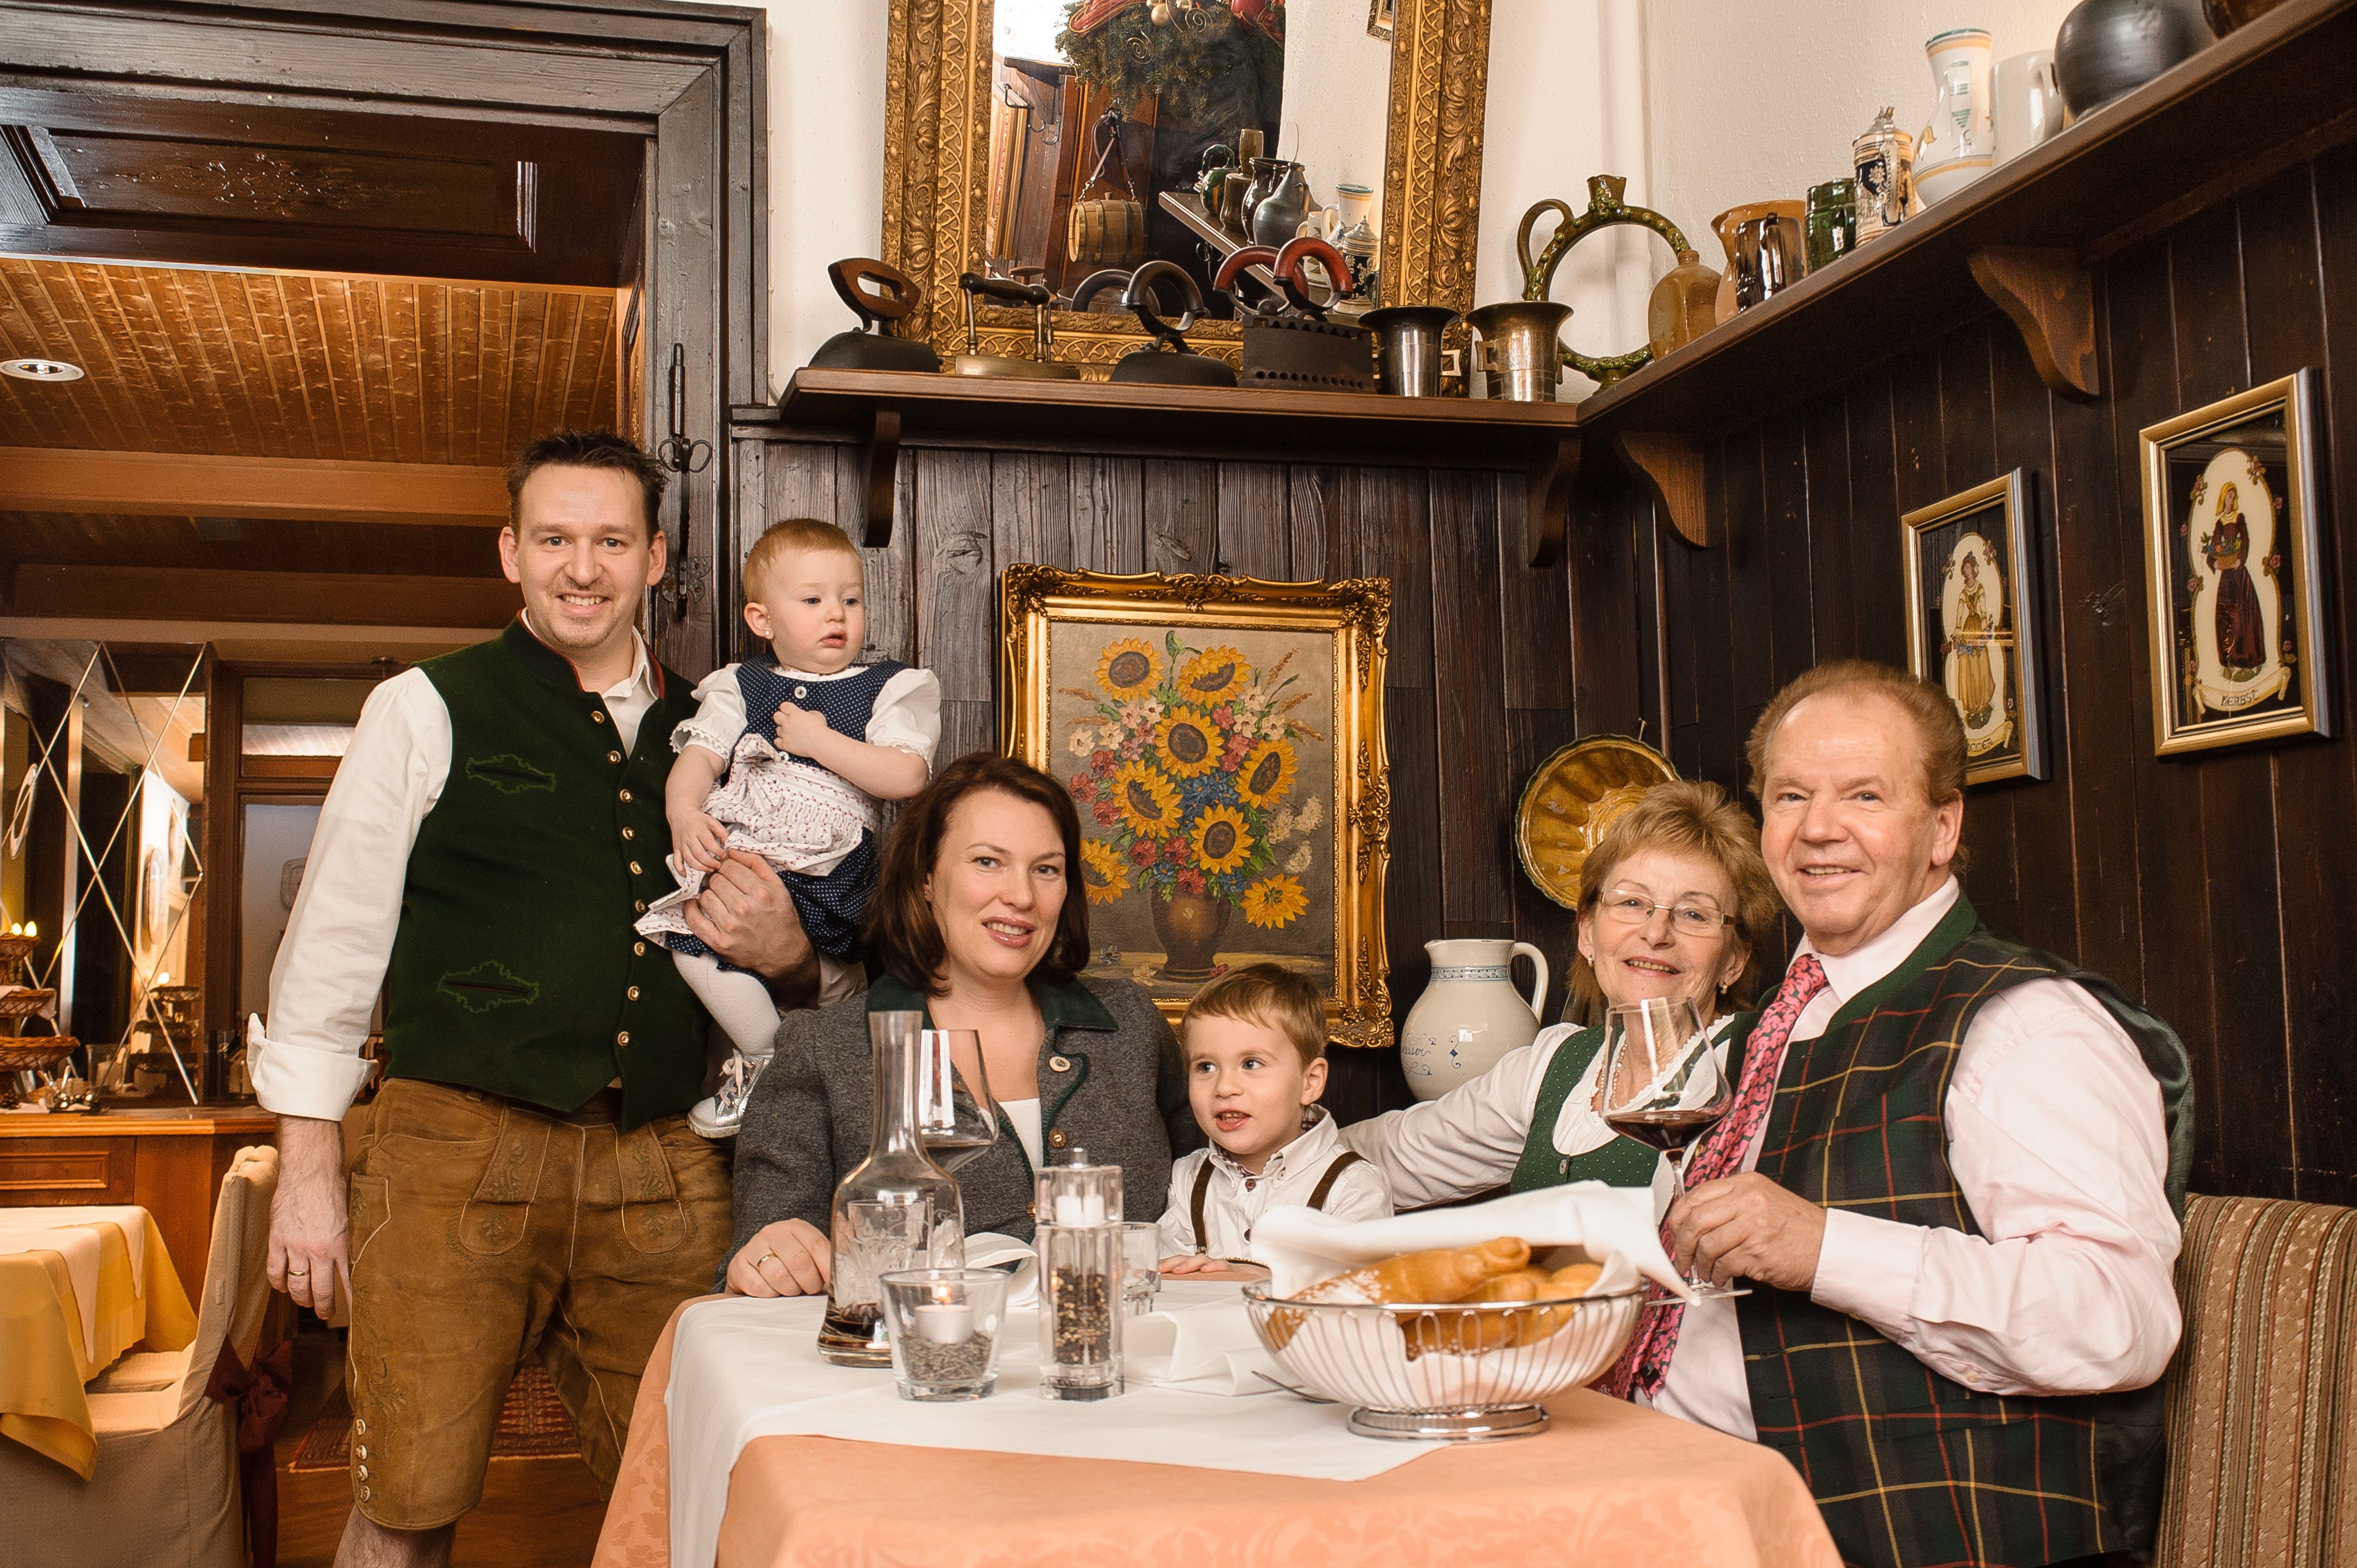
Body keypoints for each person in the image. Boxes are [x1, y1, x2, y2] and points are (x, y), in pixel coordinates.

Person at [251, 429, 830, 1568]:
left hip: (662, 1162)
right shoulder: (425, 707)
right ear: (510, 552)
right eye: (556, 539)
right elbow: (330, 950)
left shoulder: (727, 735)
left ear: (656, 558)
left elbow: (809, 960)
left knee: (703, 1503)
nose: (583, 567)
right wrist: (308, 1173)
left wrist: (793, 955)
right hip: (449, 1151)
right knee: (406, 1503)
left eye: (610, 540)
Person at [1615, 659, 2193, 1568]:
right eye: (1790, 794)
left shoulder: (2021, 1022)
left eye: (1865, 796)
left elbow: (2118, 1318)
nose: (1816, 831)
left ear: (1941, 827)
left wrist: (1825, 1248)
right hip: (1685, 1507)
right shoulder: (1773, 1017)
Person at [723, 752, 1201, 1297]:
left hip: (1123, 1366)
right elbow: (754, 1268)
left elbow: (1221, 1197)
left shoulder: (1131, 1025)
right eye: (987, 862)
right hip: (925, 1373)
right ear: (926, 877)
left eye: (1045, 869)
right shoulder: (825, 1050)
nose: (1021, 896)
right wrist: (768, 1257)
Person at [1342, 781, 1782, 1210]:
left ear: (1734, 960)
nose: (1655, 933)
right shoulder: (1555, 1063)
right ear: (1588, 932)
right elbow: (1394, 1155)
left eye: (1693, 913)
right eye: (1631, 903)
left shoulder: (1758, 1060)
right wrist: (1286, 1135)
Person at [639, 517, 941, 1138]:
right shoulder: (739, 687)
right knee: (690, 937)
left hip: (828, 859)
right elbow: (697, 761)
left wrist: (819, 741)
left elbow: (906, 776)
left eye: (850, 599)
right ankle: (765, 1059)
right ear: (762, 620)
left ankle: (793, 1072)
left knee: (834, 974)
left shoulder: (888, 687)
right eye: (812, 600)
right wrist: (684, 813)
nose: (836, 614)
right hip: (745, 850)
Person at [1156, 963, 1391, 1271]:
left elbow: (1356, 1301)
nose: (1224, 1088)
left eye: (1251, 1064)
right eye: (1206, 1067)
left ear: (1310, 1082)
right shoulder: (1189, 1179)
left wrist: (1243, 1281)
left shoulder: (1352, 1188)